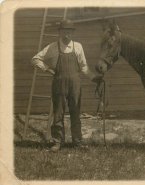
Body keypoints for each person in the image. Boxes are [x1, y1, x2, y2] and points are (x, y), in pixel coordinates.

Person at [31, 19, 102, 152]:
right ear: (60, 32)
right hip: (59, 83)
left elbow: (84, 67)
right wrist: (47, 68)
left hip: (75, 84)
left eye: (69, 32)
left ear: (72, 33)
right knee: (58, 113)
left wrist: (94, 78)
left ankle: (77, 142)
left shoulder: (78, 46)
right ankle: (57, 142)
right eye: (64, 31)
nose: (66, 35)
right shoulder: (52, 47)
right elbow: (35, 59)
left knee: (75, 112)